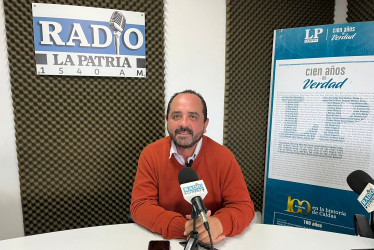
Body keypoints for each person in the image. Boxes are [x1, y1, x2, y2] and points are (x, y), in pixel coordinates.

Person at [130, 90, 255, 244]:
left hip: (215, 243)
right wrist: (187, 228)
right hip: (166, 241)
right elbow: (140, 206)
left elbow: (243, 207)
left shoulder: (224, 157)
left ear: (205, 124)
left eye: (193, 117)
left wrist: (219, 224)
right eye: (176, 116)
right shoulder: (151, 155)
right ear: (166, 120)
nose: (183, 123)